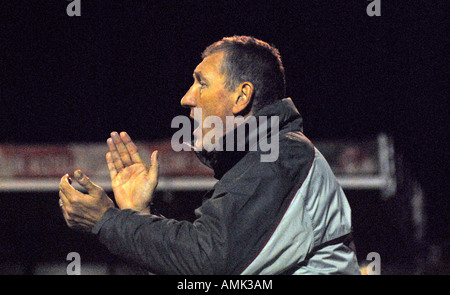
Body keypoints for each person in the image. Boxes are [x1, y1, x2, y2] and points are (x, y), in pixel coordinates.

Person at [58, 36, 361, 275]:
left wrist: (107, 220)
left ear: (242, 96)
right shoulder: (261, 158)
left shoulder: (283, 153)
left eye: (201, 82)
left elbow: (208, 261)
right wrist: (138, 214)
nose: (187, 97)